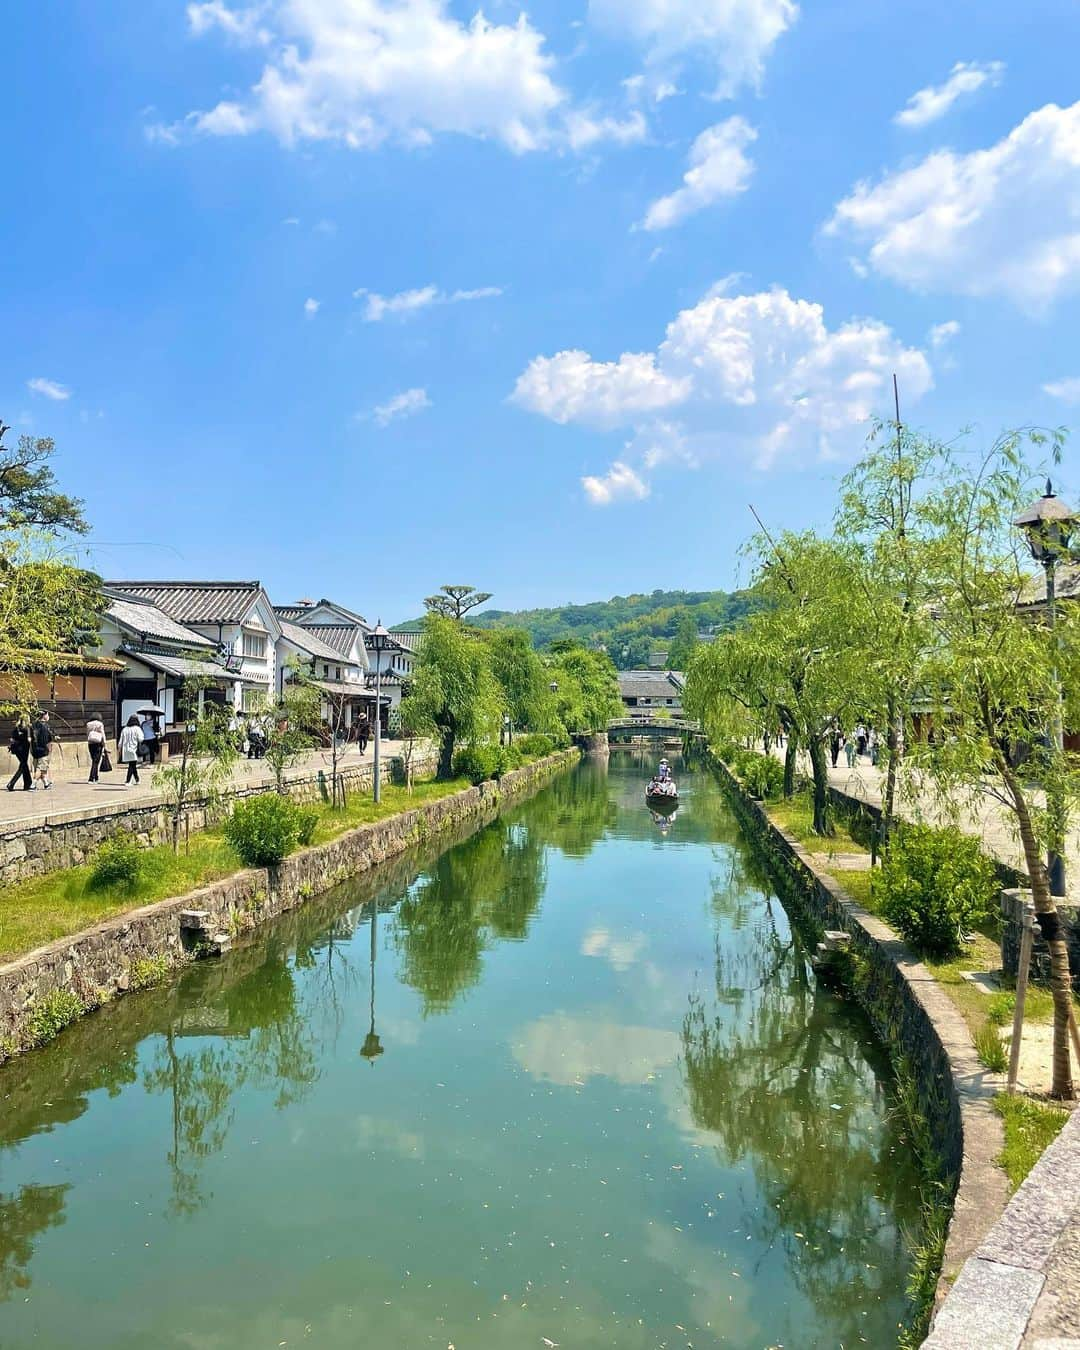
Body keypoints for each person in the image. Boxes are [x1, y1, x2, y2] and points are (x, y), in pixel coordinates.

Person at [31, 711, 54, 790]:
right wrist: (49, 750)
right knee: (40, 769)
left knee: (41, 768)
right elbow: (48, 740)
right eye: (47, 715)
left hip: (34, 750)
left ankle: (46, 784)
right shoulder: (45, 726)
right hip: (43, 750)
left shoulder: (33, 725)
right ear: (44, 715)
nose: (48, 716)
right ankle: (33, 785)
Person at [7, 718, 32, 791]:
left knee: (24, 766)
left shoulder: (16, 728)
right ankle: (11, 783)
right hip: (24, 749)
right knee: (23, 766)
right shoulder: (27, 729)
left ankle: (27, 784)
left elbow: (12, 739)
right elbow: (29, 739)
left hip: (17, 750)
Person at [118, 714, 144, 785]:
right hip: (133, 749)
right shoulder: (137, 728)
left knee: (132, 764)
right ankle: (128, 781)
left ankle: (137, 779)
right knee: (132, 765)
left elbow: (120, 742)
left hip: (125, 750)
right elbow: (141, 739)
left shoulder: (125, 729)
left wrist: (119, 750)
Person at [86, 715, 106, 783]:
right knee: (96, 761)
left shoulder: (88, 724)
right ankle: (91, 778)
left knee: (94, 761)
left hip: (90, 743)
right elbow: (102, 734)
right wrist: (104, 744)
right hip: (98, 743)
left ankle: (96, 777)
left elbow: (88, 733)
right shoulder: (100, 724)